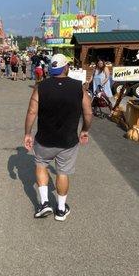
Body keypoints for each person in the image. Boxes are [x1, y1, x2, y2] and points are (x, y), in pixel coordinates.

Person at [24, 54, 92, 221]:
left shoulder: (41, 86)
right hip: (67, 141)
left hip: (44, 139)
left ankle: (45, 203)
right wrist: (84, 130)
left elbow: (32, 111)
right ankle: (61, 210)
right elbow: (88, 112)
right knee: (62, 172)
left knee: (41, 166)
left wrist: (27, 133)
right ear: (66, 67)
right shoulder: (78, 87)